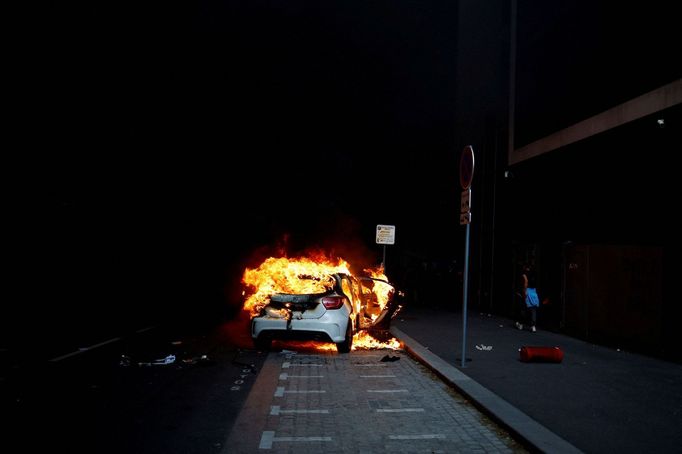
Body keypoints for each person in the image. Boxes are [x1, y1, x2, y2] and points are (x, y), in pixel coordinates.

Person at [515, 263, 540, 332]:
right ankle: (533, 326)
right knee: (533, 309)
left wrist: (524, 291)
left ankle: (521, 324)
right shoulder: (534, 274)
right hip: (533, 292)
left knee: (524, 308)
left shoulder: (525, 274)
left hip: (527, 291)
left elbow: (526, 282)